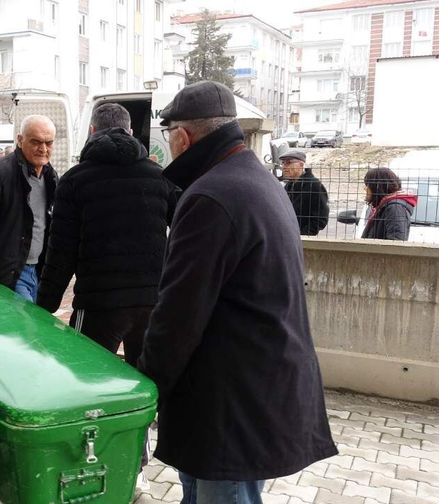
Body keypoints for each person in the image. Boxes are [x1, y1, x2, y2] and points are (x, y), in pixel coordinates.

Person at [137, 81, 337, 504]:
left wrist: (147, 386)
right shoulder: (257, 181)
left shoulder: (211, 196)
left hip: (230, 404)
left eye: (169, 136)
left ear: (182, 137)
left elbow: (178, 313)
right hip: (256, 387)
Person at [36, 103, 177, 365]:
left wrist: (45, 305)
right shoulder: (159, 177)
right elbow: (184, 231)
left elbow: (61, 251)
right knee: (146, 384)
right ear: (130, 131)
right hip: (151, 303)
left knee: (86, 379)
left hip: (97, 305)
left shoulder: (75, 180)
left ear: (92, 131)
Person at [0, 115, 58, 301]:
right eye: (36, 142)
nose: (43, 149)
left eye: (48, 143)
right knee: (28, 328)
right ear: (20, 140)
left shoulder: (50, 177)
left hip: (37, 273)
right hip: (9, 277)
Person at [280, 149, 329, 236]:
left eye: (288, 163)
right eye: (283, 163)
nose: (284, 166)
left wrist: (303, 234)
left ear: (301, 165)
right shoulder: (289, 185)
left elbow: (321, 218)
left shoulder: (314, 186)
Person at [361, 167, 417, 240]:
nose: (365, 188)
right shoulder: (383, 206)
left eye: (367, 185)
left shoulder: (395, 208)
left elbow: (396, 242)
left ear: (377, 186)